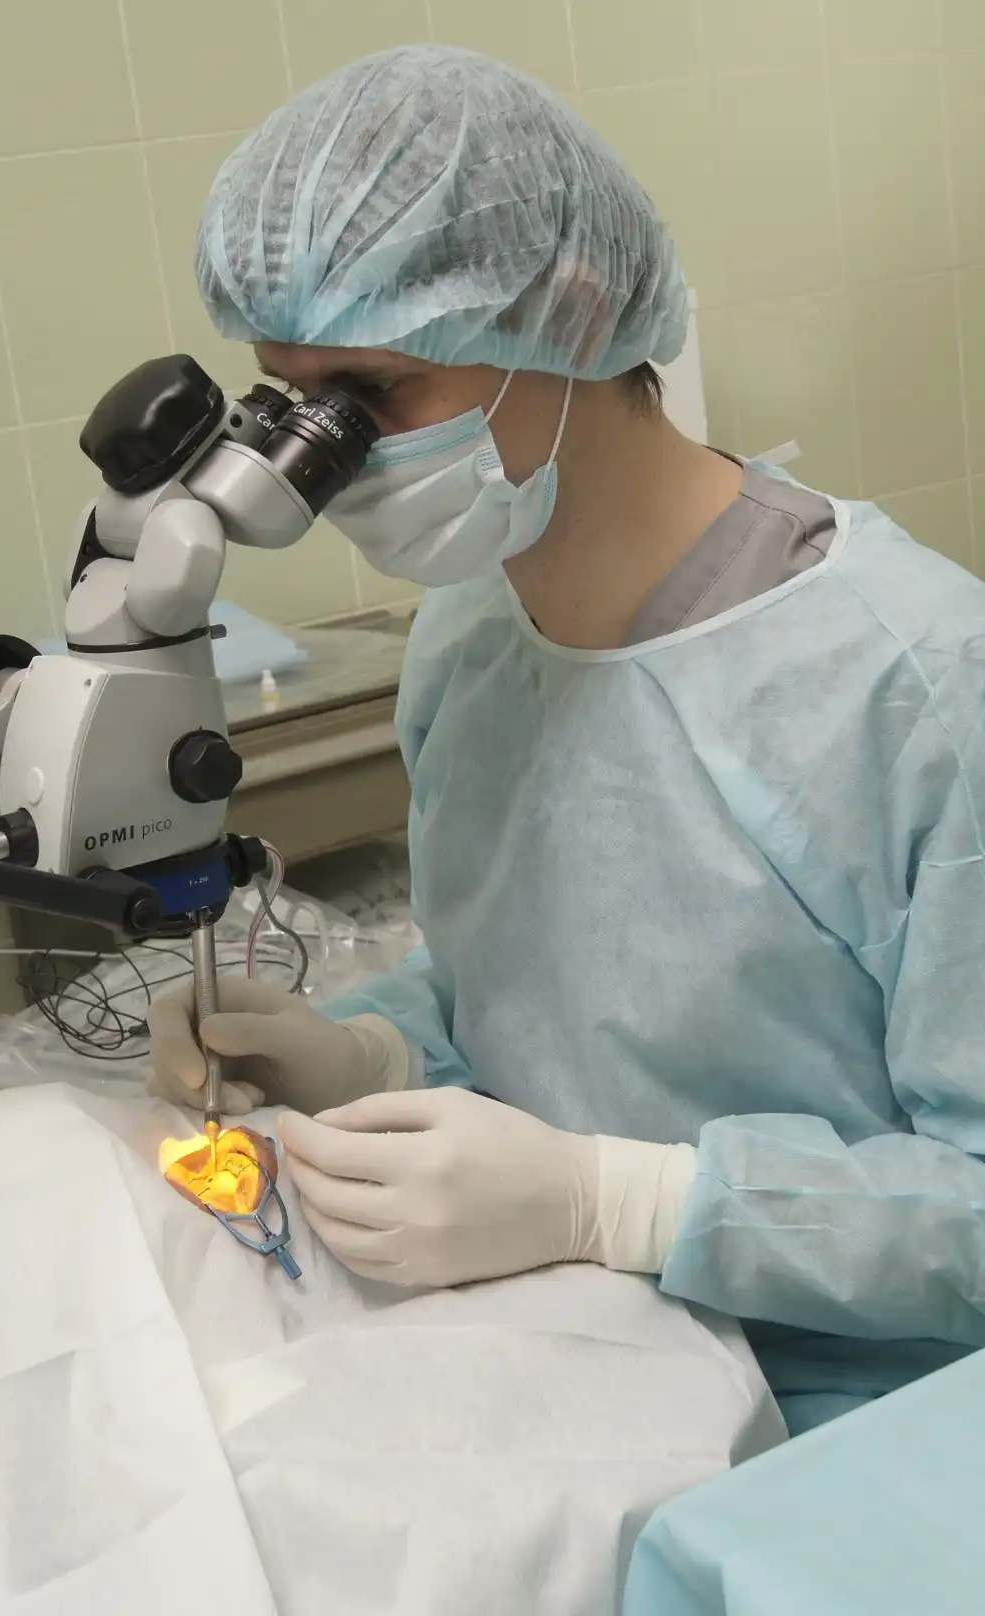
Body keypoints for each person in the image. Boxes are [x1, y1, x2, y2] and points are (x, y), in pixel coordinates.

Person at [147, 45, 985, 1437]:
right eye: (289, 397)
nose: (325, 457)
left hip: (860, 1434)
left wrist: (622, 1202)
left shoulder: (919, 688)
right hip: (583, 1357)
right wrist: (369, 1058)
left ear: (575, 311)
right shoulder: (473, 634)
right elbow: (540, 1004)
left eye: (371, 393)